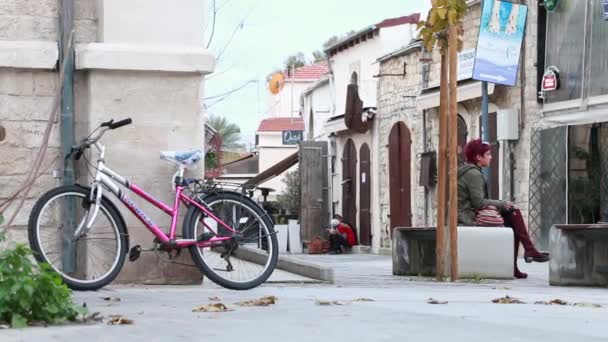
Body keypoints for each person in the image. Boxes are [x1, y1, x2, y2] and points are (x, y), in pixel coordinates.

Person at [457, 139, 549, 279]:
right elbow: (479, 202)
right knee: (512, 211)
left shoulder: (471, 171)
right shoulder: (473, 174)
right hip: (467, 217)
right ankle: (528, 250)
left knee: (512, 214)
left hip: (468, 213)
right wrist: (502, 203)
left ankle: (521, 258)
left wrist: (503, 204)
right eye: (487, 154)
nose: (491, 157)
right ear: (478, 157)